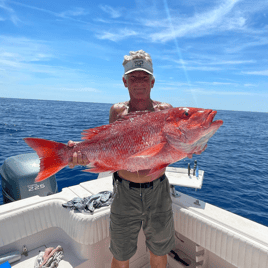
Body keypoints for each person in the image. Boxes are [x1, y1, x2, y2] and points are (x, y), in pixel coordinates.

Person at [68, 50, 175, 268]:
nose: (139, 83)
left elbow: (173, 147)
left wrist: (195, 145)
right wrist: (81, 156)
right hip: (125, 193)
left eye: (144, 77)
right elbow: (110, 147)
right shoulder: (117, 111)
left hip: (159, 192)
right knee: (120, 253)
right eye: (133, 77)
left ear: (153, 82)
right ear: (124, 82)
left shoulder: (166, 111)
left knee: (159, 252)